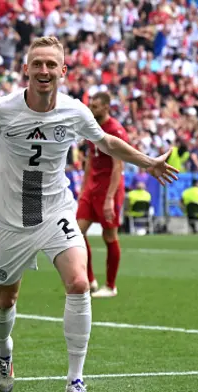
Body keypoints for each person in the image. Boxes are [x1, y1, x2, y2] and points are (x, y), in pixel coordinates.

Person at [0, 37, 178, 392]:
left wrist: (147, 162)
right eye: (38, 64)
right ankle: (3, 352)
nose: (45, 71)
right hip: (11, 223)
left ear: (63, 71)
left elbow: (107, 143)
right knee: (5, 298)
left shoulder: (75, 111)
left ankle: (75, 381)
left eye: (52, 64)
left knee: (79, 282)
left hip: (55, 211)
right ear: (26, 70)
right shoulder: (1, 109)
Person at [76, 92, 128, 299]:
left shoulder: (115, 131)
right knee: (76, 233)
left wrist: (109, 199)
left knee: (109, 237)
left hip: (110, 189)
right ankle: (90, 280)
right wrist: (83, 189)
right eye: (91, 105)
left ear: (106, 108)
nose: (92, 109)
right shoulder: (91, 127)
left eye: (96, 106)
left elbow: (118, 166)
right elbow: (90, 159)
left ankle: (111, 285)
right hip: (92, 188)